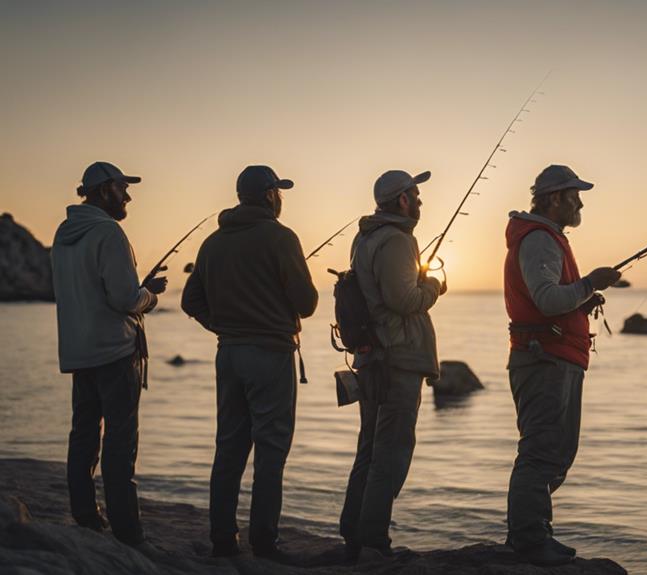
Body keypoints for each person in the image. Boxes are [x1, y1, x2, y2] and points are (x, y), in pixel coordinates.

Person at [181, 165, 318, 559]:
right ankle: (264, 542)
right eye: (279, 191)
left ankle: (222, 540)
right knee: (271, 451)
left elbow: (191, 301)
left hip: (229, 354)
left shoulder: (212, 242)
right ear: (270, 195)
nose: (282, 198)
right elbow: (306, 305)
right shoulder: (281, 238)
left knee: (229, 449)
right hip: (271, 356)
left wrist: (225, 326)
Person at [502, 164, 622, 566]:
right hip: (543, 359)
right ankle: (529, 540)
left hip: (554, 357)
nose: (580, 202)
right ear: (556, 198)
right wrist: (591, 282)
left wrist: (582, 300)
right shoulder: (539, 240)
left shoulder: (545, 239)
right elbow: (548, 300)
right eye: (575, 195)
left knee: (556, 451)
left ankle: (533, 533)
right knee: (541, 452)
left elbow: (551, 300)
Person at [51, 161, 167, 548]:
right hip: (116, 353)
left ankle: (86, 517)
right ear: (104, 191)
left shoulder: (64, 234)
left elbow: (90, 290)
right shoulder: (109, 232)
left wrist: (137, 288)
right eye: (122, 188)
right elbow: (124, 299)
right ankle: (127, 531)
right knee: (120, 441)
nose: (128, 195)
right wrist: (149, 295)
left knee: (82, 435)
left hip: (79, 351)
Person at [338, 169, 446, 562]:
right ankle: (372, 541)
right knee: (392, 451)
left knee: (369, 448)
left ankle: (354, 534)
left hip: (373, 358)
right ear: (402, 200)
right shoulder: (397, 240)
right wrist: (433, 286)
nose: (419, 201)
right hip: (396, 360)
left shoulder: (364, 237)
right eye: (415, 195)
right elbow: (404, 300)